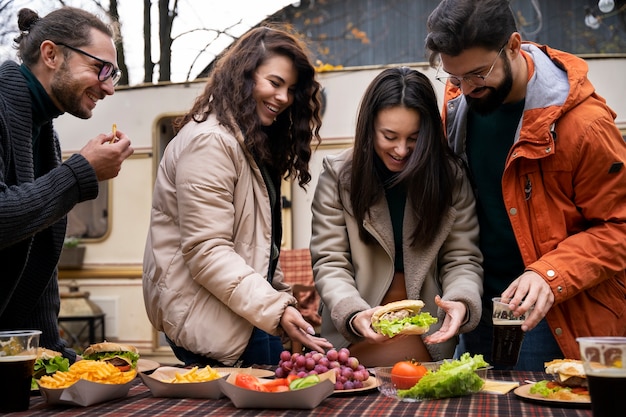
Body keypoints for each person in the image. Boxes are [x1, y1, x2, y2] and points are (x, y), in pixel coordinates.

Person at [425, 0, 626, 371]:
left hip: (553, 315)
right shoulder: (458, 105)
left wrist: (549, 274)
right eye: (454, 78)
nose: (466, 89)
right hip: (474, 306)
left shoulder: (586, 125)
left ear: (514, 45)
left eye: (477, 75)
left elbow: (619, 226)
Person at [143, 25, 333, 367]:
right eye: (274, 83)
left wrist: (283, 302)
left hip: (241, 313)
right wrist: (276, 308)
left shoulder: (247, 144)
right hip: (214, 322)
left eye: (290, 90)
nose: (284, 98)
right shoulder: (212, 142)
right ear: (243, 76)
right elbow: (207, 250)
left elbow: (258, 248)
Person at [310, 67, 484, 367]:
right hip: (354, 341)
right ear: (369, 128)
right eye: (389, 136)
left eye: (414, 138)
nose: (401, 150)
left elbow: (462, 259)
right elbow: (330, 262)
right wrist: (352, 312)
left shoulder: (451, 177)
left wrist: (462, 300)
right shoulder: (338, 175)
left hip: (430, 343)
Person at [0, 7, 133, 362]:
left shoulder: (45, 133)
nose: (108, 87)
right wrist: (79, 173)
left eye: (113, 74)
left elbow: (38, 257)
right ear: (51, 54)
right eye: (100, 69)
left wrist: (54, 356)